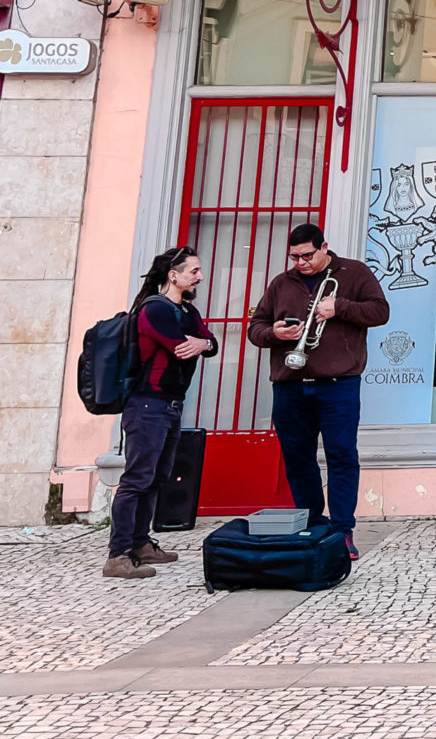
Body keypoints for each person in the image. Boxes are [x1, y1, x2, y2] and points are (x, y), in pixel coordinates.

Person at [247, 224, 389, 560]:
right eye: (294, 257)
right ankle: (312, 524)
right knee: (297, 459)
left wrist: (340, 307)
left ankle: (342, 531)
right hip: (290, 384)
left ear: (324, 246)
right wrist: (275, 334)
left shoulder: (354, 273)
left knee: (341, 456)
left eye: (307, 255)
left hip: (338, 384)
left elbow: (380, 312)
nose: (301, 262)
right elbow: (256, 328)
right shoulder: (282, 283)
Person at [105, 246, 218, 579]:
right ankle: (118, 554)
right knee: (137, 479)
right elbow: (181, 347)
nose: (199, 276)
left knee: (156, 477)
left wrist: (204, 343)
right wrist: (201, 344)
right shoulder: (155, 310)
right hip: (147, 405)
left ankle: (140, 543)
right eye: (193, 271)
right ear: (174, 275)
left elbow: (209, 342)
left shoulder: (186, 310)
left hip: (169, 405)